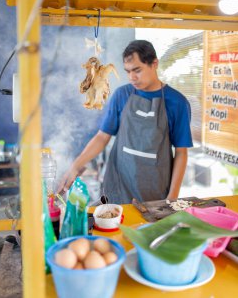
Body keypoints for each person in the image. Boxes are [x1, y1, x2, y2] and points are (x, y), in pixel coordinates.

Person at [58, 40, 193, 203]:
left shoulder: (177, 103)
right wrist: (75, 166)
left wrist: (172, 198)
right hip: (118, 188)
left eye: (137, 70)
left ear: (154, 64)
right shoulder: (122, 95)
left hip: (155, 193)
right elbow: (102, 137)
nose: (132, 77)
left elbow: (181, 153)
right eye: (128, 71)